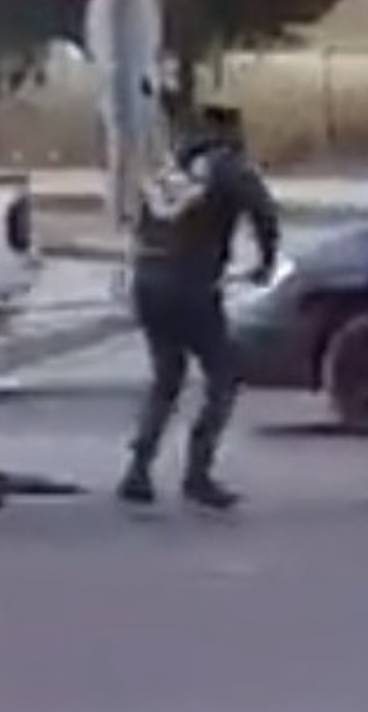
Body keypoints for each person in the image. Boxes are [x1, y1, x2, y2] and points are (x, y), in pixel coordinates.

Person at [116, 99, 281, 512]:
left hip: (148, 281)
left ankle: (138, 468)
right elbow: (265, 217)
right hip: (190, 285)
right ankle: (197, 472)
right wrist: (265, 263)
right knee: (223, 376)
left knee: (166, 378)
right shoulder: (230, 168)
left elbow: (142, 220)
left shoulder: (170, 167)